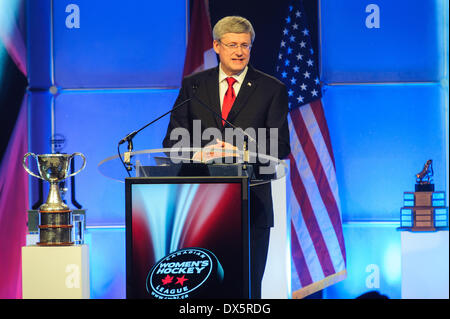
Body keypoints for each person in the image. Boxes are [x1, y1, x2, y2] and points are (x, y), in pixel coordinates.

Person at [163, 16, 290, 298]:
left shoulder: (272, 89)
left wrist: (243, 153)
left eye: (245, 45)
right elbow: (171, 140)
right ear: (216, 46)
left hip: (251, 205)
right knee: (201, 288)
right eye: (232, 44)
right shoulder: (194, 86)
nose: (239, 51)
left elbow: (281, 146)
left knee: (246, 288)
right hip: (199, 206)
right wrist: (199, 153)